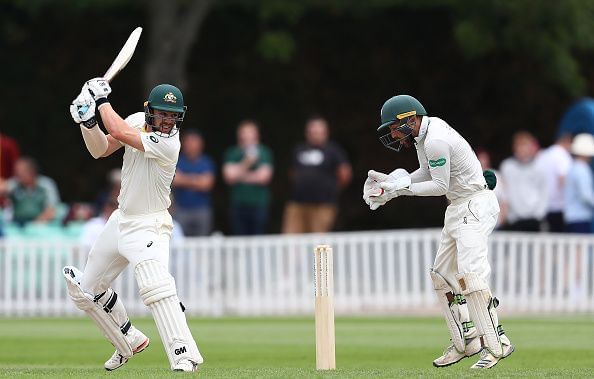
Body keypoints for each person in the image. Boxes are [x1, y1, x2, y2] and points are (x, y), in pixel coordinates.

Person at [363, 95, 514, 369]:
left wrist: (401, 189)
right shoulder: (425, 136)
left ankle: (496, 343)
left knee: (471, 273)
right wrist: (396, 182)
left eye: (395, 127)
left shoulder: (434, 139)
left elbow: (439, 185)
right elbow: (426, 171)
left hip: (474, 204)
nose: (394, 134)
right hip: (458, 206)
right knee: (442, 274)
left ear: (410, 119)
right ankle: (466, 340)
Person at [65, 78, 203, 372]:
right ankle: (128, 338)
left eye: (173, 114)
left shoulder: (169, 143)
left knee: (156, 287)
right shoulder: (136, 121)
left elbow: (116, 129)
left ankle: (185, 355)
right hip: (121, 219)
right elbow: (101, 148)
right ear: (149, 110)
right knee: (85, 291)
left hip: (150, 225)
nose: (167, 120)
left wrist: (100, 101)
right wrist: (87, 123)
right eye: (162, 113)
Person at [282, 116, 352, 233]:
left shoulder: (333, 150)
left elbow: (345, 174)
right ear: (307, 133)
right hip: (298, 204)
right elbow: (292, 173)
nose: (315, 135)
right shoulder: (299, 149)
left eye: (318, 132)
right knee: (291, 240)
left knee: (319, 242)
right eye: (312, 132)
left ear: (326, 133)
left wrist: (332, 189)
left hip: (323, 205)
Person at [223, 120, 273, 235]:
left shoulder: (264, 152)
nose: (246, 135)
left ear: (257, 134)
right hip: (238, 203)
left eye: (250, 132)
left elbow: (264, 178)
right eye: (244, 132)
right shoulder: (232, 153)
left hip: (259, 203)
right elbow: (229, 178)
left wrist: (239, 175)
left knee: (258, 237)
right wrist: (247, 162)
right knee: (239, 238)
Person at [498, 131, 548, 231]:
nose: (522, 149)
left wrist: (539, 214)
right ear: (514, 148)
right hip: (514, 220)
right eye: (519, 146)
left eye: (525, 146)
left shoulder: (540, 167)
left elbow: (544, 193)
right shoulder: (507, 167)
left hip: (534, 219)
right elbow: (504, 193)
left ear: (530, 148)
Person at [172, 129, 215, 236]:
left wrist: (184, 179)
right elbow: (175, 180)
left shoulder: (207, 162)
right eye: (188, 141)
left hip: (202, 210)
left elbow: (207, 184)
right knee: (180, 242)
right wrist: (198, 179)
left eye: (193, 141)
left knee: (202, 243)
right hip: (181, 210)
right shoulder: (177, 161)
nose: (190, 145)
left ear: (200, 144)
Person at [6, 157, 61, 226]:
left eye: (21, 171)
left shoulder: (46, 184)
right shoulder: (14, 183)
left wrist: (33, 225)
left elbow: (51, 210)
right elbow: (3, 188)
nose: (17, 174)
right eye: (16, 171)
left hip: (41, 225)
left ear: (32, 172)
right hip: (17, 224)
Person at [535, 133, 572, 232]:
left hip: (542, 205)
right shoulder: (562, 155)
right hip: (559, 205)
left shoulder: (544, 154)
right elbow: (563, 180)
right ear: (568, 142)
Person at [564, 133, 594, 233]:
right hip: (580, 216)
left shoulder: (573, 167)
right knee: (581, 246)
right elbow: (586, 195)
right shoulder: (582, 169)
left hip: (571, 216)